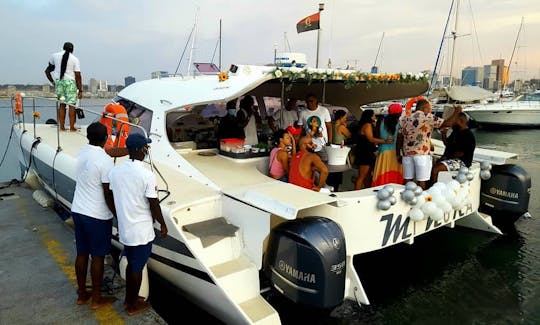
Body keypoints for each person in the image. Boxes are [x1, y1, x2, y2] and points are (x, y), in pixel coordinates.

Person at [108, 133, 168, 316]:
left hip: (126, 228)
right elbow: (153, 203)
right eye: (145, 147)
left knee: (133, 262)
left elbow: (110, 196)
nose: (146, 150)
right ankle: (132, 305)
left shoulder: (115, 171)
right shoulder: (146, 174)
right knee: (137, 267)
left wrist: (117, 215)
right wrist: (163, 224)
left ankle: (129, 299)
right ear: (137, 149)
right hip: (141, 230)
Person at [71, 122, 116, 309]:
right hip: (97, 215)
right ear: (106, 139)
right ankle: (97, 299)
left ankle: (82, 294)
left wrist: (127, 150)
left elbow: (108, 153)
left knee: (82, 253)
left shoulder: (83, 151)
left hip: (78, 210)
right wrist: (117, 214)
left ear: (88, 137)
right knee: (97, 257)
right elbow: (107, 192)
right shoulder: (105, 161)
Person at [396, 100, 461, 189]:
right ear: (424, 108)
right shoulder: (427, 117)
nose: (430, 111)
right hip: (422, 155)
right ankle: (421, 201)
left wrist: (397, 153)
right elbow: (447, 123)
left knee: (407, 181)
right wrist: (456, 112)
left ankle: (406, 199)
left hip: (407, 154)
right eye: (429, 109)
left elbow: (399, 137)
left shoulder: (405, 118)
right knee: (422, 181)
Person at [45, 42, 83, 131]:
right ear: (72, 50)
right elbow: (78, 75)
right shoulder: (75, 59)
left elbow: (47, 70)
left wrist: (53, 82)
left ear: (63, 48)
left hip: (59, 82)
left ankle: (62, 126)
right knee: (71, 106)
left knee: (62, 105)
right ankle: (72, 127)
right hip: (70, 83)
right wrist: (80, 90)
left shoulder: (54, 56)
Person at [354, 109, 393, 190]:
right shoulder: (367, 125)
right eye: (373, 115)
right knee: (362, 176)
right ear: (370, 116)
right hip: (365, 152)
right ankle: (356, 192)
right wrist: (384, 141)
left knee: (366, 175)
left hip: (363, 151)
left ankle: (366, 190)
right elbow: (371, 139)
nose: (375, 117)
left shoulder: (364, 124)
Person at [431, 111, 476, 181]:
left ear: (461, 121)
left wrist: (445, 158)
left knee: (436, 169)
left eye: (454, 120)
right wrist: (443, 134)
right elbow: (447, 144)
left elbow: (460, 153)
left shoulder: (468, 135)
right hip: (451, 158)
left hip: (462, 162)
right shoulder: (455, 132)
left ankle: (434, 189)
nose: (452, 122)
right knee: (432, 166)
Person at [372, 103, 404, 187]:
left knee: (382, 172)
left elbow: (377, 134)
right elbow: (399, 140)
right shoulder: (400, 123)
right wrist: (398, 154)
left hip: (383, 151)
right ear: (399, 113)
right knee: (394, 174)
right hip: (395, 152)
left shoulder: (380, 121)